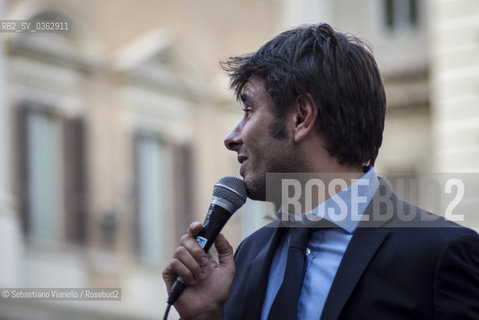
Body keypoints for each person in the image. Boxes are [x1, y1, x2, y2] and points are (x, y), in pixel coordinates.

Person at [162, 23, 479, 320]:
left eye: (248, 111)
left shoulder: (441, 256)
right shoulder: (247, 258)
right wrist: (209, 316)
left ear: (301, 117)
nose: (232, 138)